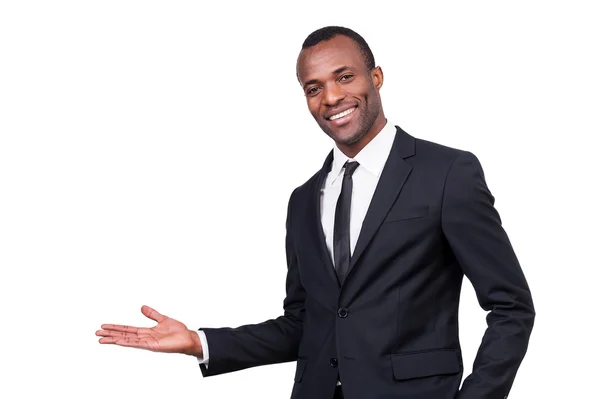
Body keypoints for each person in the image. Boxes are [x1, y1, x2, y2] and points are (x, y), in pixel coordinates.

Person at [96, 26, 535, 399]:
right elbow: (303, 323)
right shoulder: (304, 199)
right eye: (314, 87)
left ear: (376, 77)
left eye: (344, 76)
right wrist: (200, 343)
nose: (331, 96)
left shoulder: (447, 173)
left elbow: (511, 307)